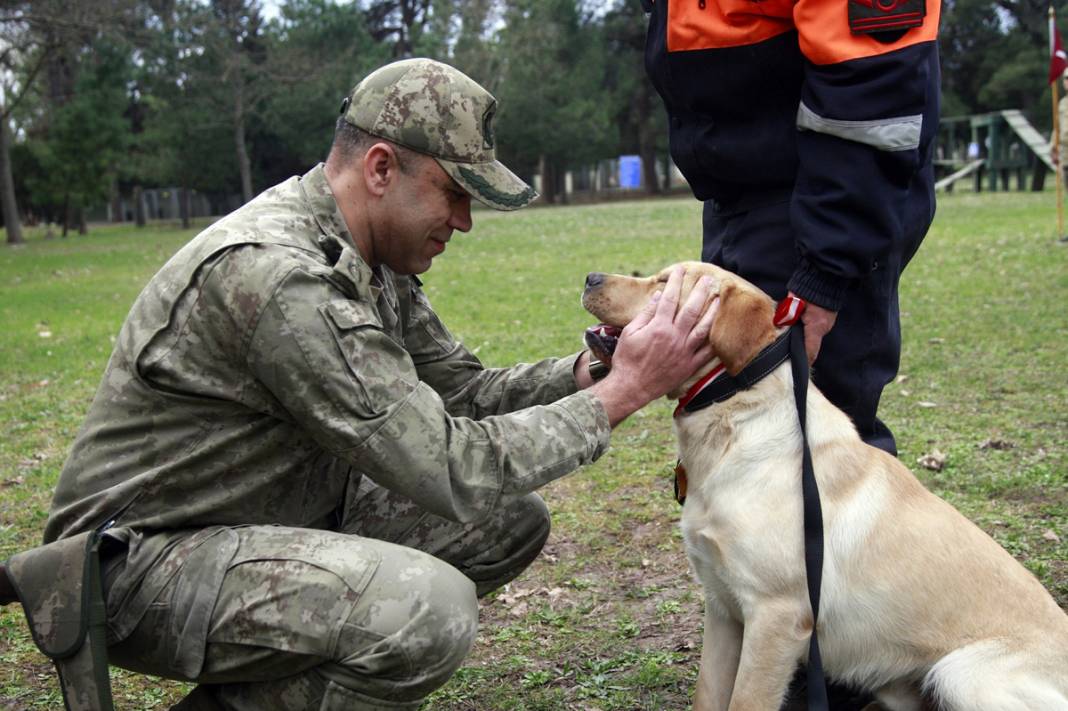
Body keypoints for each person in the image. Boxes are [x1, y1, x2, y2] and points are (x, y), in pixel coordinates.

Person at [39, 58, 718, 710]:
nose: (464, 220)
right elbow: (450, 467)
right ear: (381, 168)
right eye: (453, 193)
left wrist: (597, 368)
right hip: (134, 566)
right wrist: (625, 392)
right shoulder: (283, 279)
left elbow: (462, 394)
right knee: (424, 612)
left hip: (257, 518)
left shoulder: (369, 255)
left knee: (506, 523)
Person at [640, 1, 941, 708]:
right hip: (746, 197)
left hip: (822, 197)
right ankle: (774, 628)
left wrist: (827, 268)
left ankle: (833, 675)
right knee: (746, 436)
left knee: (815, 443)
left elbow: (873, 82)